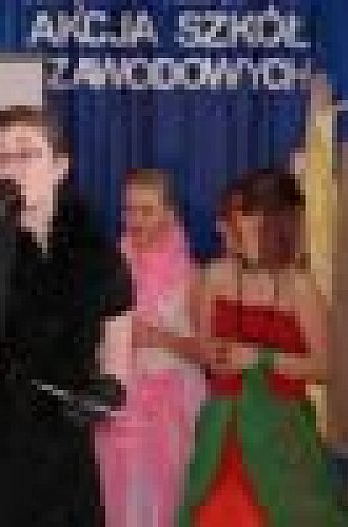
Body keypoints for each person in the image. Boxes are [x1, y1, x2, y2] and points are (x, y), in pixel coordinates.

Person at [0, 105, 133, 527]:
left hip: (62, 454)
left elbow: (117, 357)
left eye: (26, 152)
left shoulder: (100, 255)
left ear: (60, 167)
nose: (11, 166)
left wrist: (107, 394)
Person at [179, 169, 348, 526]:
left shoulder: (300, 287)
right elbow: (206, 354)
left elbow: (325, 369)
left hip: (281, 434)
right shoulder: (213, 276)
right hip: (223, 429)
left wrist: (260, 358)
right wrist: (214, 354)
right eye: (238, 217)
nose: (234, 227)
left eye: (248, 218)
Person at [96, 168, 207, 527]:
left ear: (170, 214)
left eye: (147, 211)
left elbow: (207, 352)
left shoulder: (192, 276)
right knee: (117, 500)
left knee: (168, 501)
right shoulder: (110, 271)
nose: (135, 220)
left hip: (172, 408)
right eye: (129, 210)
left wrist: (158, 338)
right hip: (119, 402)